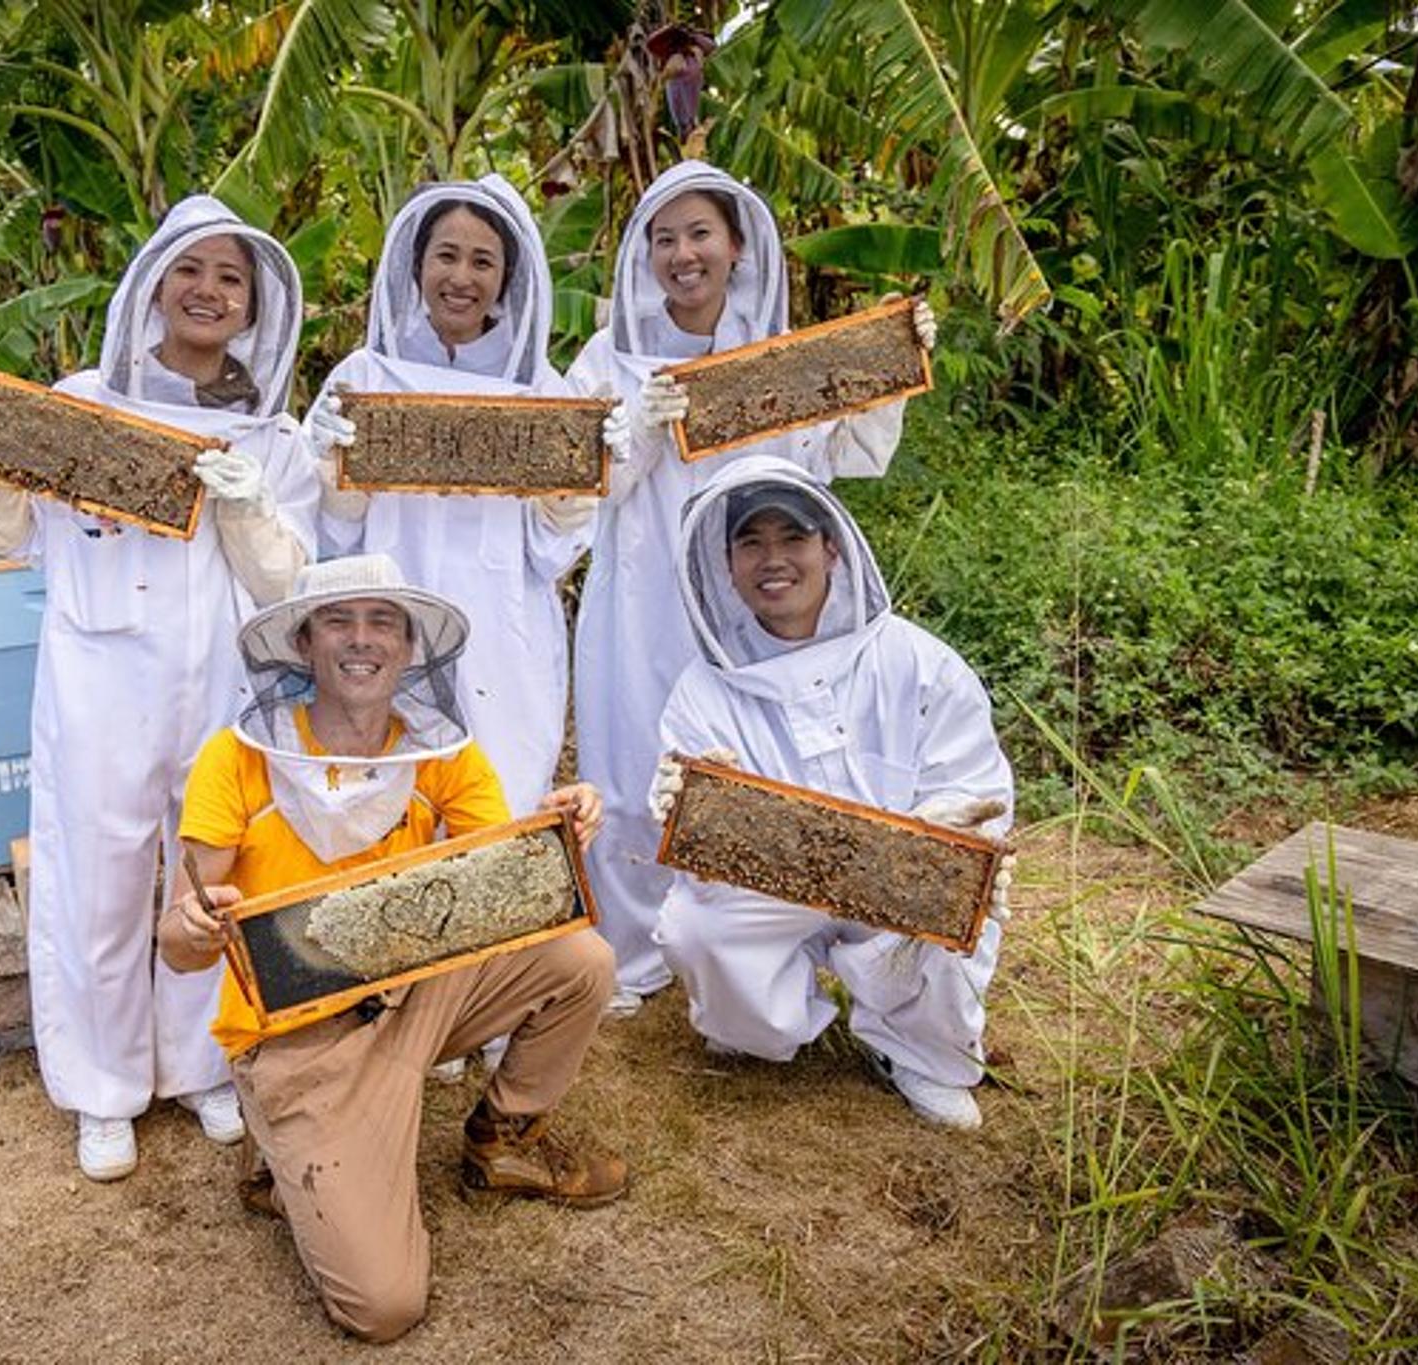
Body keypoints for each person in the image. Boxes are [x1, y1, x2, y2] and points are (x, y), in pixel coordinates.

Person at [0, 197, 318, 1180]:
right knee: (96, 880)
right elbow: (9, 523)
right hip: (98, 676)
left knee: (211, 874)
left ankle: (204, 1066)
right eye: (191, 271)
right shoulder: (82, 399)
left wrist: (250, 511)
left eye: (231, 277)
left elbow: (288, 582)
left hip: (221, 681)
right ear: (154, 283)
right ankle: (102, 1086)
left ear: (255, 304)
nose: (209, 291)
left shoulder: (271, 434)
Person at [161, 553, 625, 1344]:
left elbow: (503, 891)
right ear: (303, 643)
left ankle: (505, 1140)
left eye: (383, 622)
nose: (361, 639)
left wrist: (561, 829)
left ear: (410, 648)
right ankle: (285, 1157)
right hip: (300, 1040)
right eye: (338, 621)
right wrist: (196, 924)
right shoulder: (234, 758)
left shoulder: (440, 753)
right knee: (384, 1306)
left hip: (415, 993)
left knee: (582, 962)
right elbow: (178, 947)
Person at [567, 161, 937, 1017]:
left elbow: (843, 455)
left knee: (752, 767)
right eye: (664, 238)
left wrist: (892, 367)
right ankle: (631, 951)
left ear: (736, 244)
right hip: (639, 602)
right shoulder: (605, 357)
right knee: (631, 765)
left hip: (756, 601)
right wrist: (640, 433)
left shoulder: (779, 355)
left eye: (700, 233)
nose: (683, 254)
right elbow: (576, 490)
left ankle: (750, 939)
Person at [647, 458, 1015, 1131]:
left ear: (832, 549)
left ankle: (921, 1052)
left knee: (954, 888)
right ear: (727, 566)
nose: (773, 559)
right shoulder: (704, 689)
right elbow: (695, 833)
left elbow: (974, 786)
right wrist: (683, 801)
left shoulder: (918, 663)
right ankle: (758, 1023)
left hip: (898, 878)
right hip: (776, 886)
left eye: (793, 537)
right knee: (692, 923)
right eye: (751, 542)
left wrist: (947, 828)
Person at [304, 176, 597, 817]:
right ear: (417, 265)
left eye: (482, 261)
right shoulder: (363, 377)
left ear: (507, 277)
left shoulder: (544, 391)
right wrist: (330, 475)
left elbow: (553, 553)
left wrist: (571, 491)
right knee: (386, 817)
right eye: (447, 255)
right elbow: (329, 544)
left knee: (500, 810)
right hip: (386, 631)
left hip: (505, 640)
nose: (462, 277)